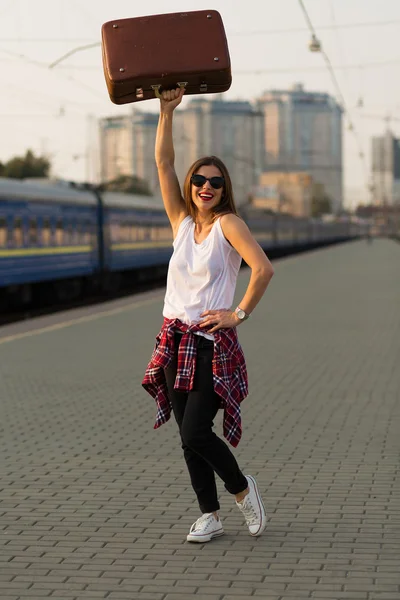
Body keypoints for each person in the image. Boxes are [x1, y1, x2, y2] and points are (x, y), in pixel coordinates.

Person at [142, 87, 274, 543]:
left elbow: (263, 269)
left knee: (197, 430)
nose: (206, 187)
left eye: (215, 182)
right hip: (173, 339)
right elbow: (163, 164)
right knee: (186, 435)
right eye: (200, 179)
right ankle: (210, 515)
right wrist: (166, 110)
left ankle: (242, 491)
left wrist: (239, 313)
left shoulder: (228, 225)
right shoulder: (181, 222)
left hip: (210, 341)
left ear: (224, 189)